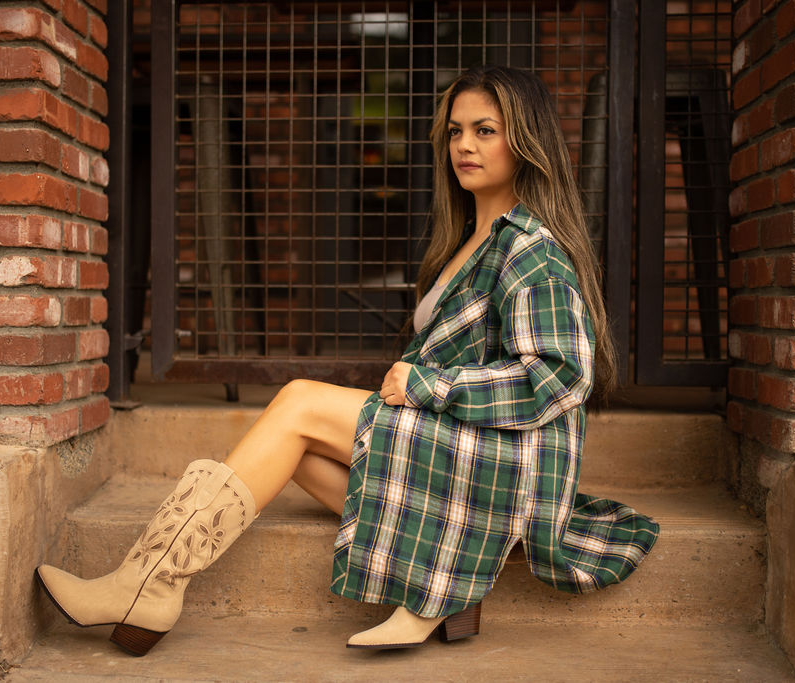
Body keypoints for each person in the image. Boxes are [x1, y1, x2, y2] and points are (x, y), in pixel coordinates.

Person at [35, 65, 660, 657]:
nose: (464, 146)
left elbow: (559, 378)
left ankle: (148, 586)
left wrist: (432, 385)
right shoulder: (471, 240)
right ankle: (442, 585)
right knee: (297, 454)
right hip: (471, 446)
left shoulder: (531, 252)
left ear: (526, 143)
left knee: (299, 401)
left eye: (485, 131)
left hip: (509, 458)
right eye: (455, 132)